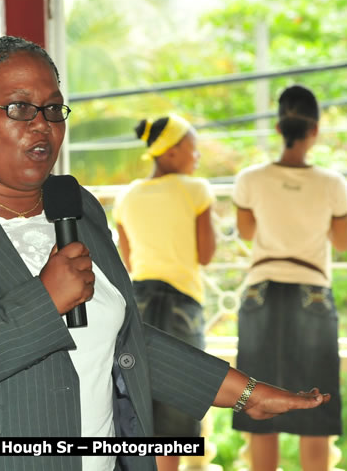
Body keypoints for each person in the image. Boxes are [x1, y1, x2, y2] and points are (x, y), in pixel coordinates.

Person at [0, 36, 331, 471]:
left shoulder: (79, 209)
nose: (42, 124)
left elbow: (127, 341)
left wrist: (248, 393)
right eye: (20, 108)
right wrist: (45, 300)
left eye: (53, 109)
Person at [231, 84, 347, 471]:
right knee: (315, 414)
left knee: (260, 408)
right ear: (314, 130)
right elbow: (344, 242)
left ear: (279, 128)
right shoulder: (332, 183)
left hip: (261, 293)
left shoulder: (250, 179)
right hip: (312, 291)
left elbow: (248, 232)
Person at [112, 114, 216, 471]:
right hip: (181, 303)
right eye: (193, 146)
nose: (197, 154)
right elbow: (206, 254)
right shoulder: (196, 189)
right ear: (171, 152)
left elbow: (127, 259)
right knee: (175, 403)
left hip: (136, 304)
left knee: (140, 401)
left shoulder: (127, 196)